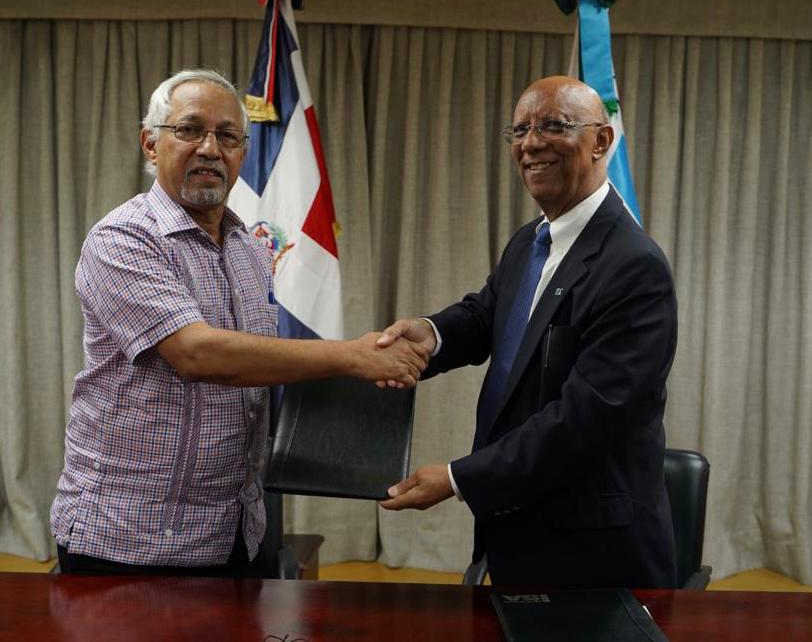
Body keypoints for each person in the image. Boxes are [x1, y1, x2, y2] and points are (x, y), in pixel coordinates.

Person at [50, 69, 427, 578]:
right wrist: (355, 356)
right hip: (127, 537)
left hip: (231, 534)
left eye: (228, 136)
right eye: (189, 130)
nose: (210, 148)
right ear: (151, 144)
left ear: (243, 154)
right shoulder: (122, 239)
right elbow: (199, 354)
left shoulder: (251, 249)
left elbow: (258, 370)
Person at [378, 76, 678, 588]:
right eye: (519, 130)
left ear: (601, 141)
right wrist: (429, 335)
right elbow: (489, 314)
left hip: (593, 553)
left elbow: (583, 420)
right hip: (518, 529)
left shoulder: (635, 267)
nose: (531, 143)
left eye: (553, 126)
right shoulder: (532, 239)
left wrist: (457, 478)